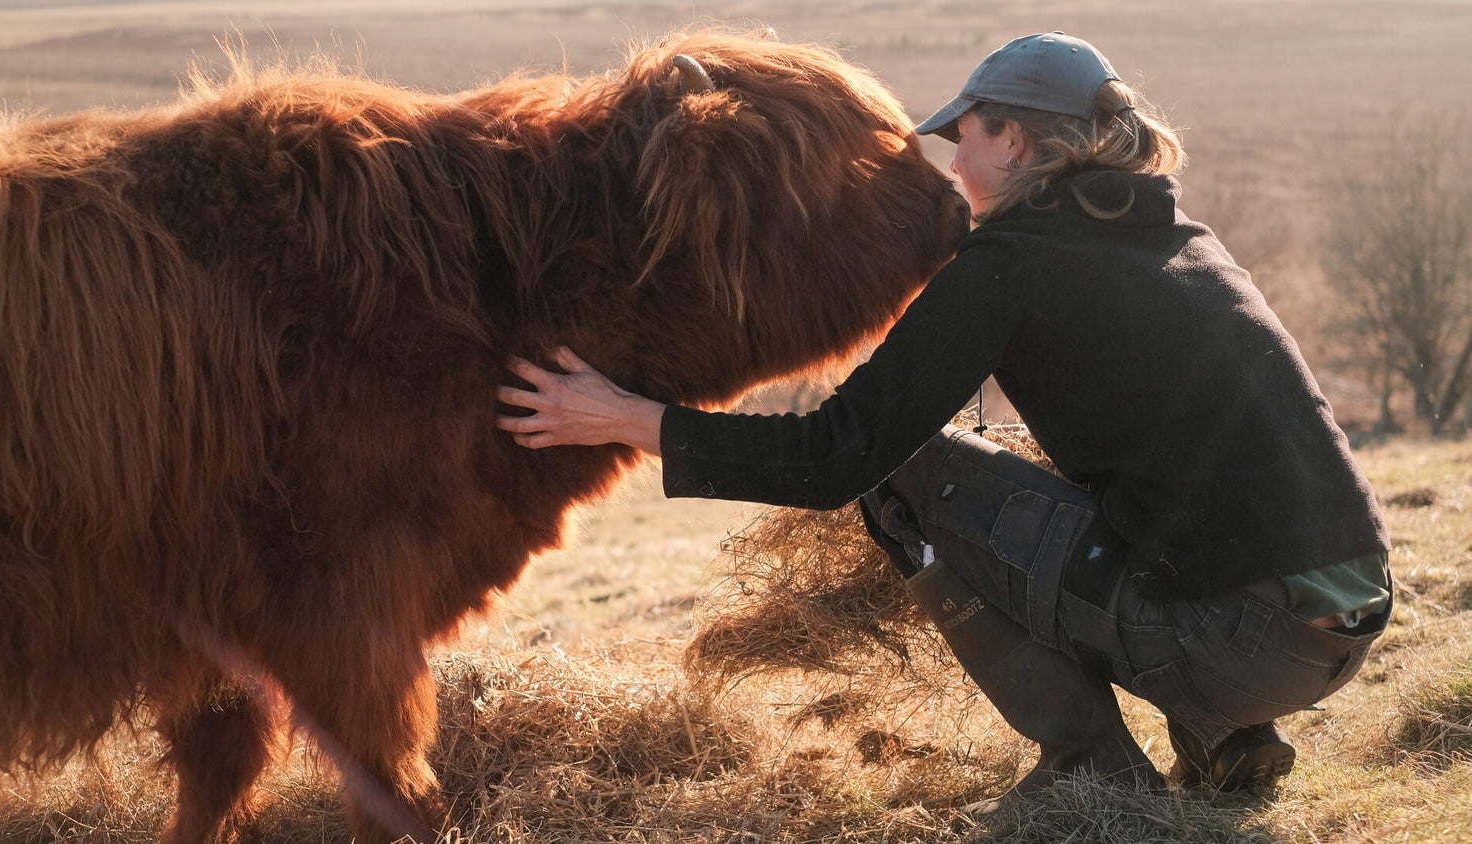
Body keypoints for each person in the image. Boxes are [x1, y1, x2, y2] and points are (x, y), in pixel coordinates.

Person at [495, 32, 1391, 806]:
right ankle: (1228, 740)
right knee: (1083, 477)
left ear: (1016, 137)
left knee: (900, 475)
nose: (953, 164)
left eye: (964, 137)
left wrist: (628, 417)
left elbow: (836, 455)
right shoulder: (1182, 241)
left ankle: (1092, 767)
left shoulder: (1011, 262)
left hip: (1233, 644)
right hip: (1341, 628)